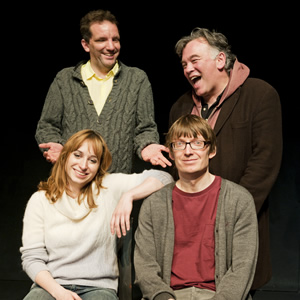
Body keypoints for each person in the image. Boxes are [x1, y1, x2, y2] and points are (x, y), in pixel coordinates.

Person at [169, 27, 282, 291]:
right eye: (184, 64)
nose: (187, 68)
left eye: (194, 60)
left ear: (220, 60)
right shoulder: (180, 108)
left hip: (237, 229)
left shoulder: (260, 95)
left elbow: (263, 164)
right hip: (190, 236)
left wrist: (228, 217)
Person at [20, 129, 173, 300]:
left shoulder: (108, 187)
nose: (84, 165)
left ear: (99, 166)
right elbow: (32, 259)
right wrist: (59, 292)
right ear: (65, 157)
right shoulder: (41, 199)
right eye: (77, 155)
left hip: (98, 287)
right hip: (51, 286)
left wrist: (128, 196)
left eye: (92, 160)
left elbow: (164, 177)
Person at [134, 114, 258, 300]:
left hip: (219, 295)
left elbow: (243, 266)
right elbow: (145, 266)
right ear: (171, 153)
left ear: (212, 150)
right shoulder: (154, 205)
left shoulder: (238, 200)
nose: (188, 151)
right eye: (179, 144)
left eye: (197, 143)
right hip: (170, 296)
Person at [35, 9, 171, 172]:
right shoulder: (65, 80)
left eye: (115, 39)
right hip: (72, 183)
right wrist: (56, 145)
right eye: (101, 40)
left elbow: (145, 128)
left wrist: (147, 145)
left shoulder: (136, 79)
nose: (111, 46)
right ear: (86, 44)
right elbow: (47, 125)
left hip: (116, 186)